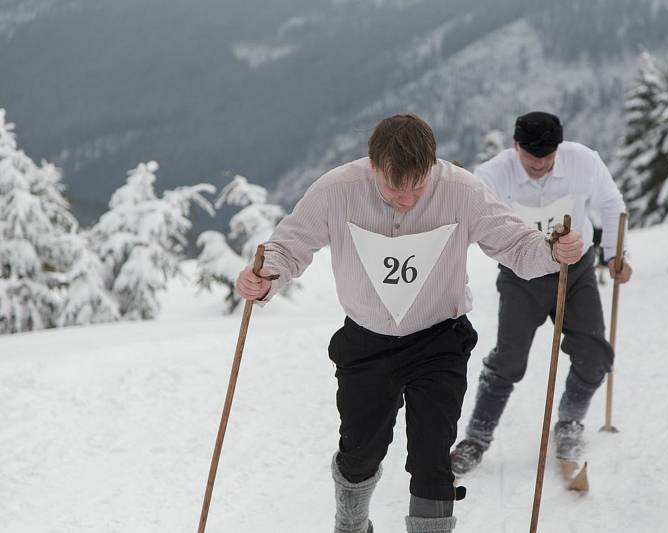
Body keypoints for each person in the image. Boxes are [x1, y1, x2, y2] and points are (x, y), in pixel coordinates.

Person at [235, 114, 584, 533]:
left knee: (432, 457)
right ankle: (351, 525)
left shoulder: (462, 190)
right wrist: (264, 276)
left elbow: (516, 244)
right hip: (365, 342)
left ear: (433, 166)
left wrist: (553, 250)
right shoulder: (336, 190)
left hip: (439, 339)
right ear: (373, 166)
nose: (406, 199)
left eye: (417, 187)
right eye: (392, 188)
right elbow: (288, 247)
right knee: (360, 452)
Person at [450, 111, 632, 475]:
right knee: (509, 359)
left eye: (547, 156)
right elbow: (466, 217)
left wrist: (615, 254)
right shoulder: (493, 174)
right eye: (532, 156)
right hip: (521, 275)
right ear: (515, 146)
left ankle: (570, 421)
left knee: (594, 353)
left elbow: (611, 204)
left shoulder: (582, 162)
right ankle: (476, 437)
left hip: (575, 269)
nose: (540, 163)